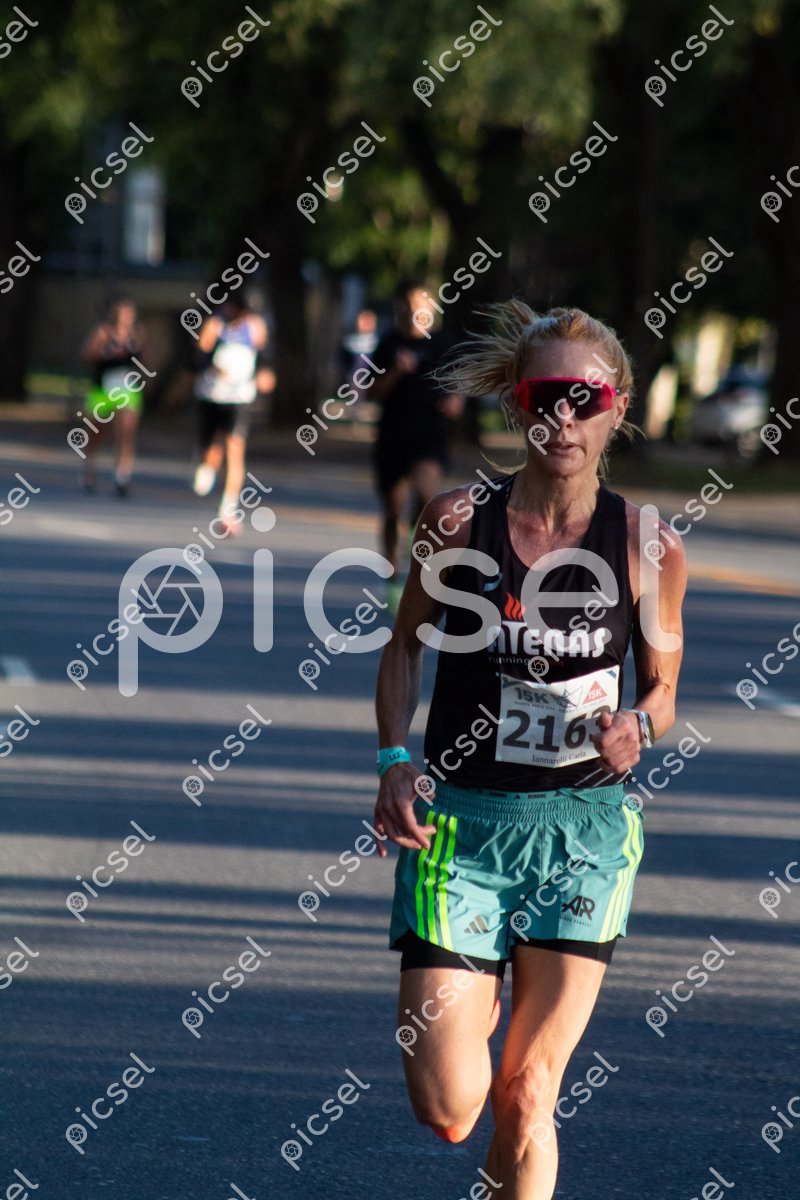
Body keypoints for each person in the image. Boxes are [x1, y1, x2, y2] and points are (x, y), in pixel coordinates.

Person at [373, 302, 686, 1200]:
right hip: (460, 833)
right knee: (450, 1105)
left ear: (617, 408)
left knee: (528, 1092)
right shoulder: (455, 523)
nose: (565, 418)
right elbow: (404, 646)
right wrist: (394, 759)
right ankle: (476, 990)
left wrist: (640, 725)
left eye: (587, 399)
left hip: (583, 833)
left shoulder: (648, 546)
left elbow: (662, 690)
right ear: (517, 405)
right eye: (546, 397)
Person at [370, 283, 464, 599]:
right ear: (401, 308)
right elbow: (371, 393)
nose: (415, 310)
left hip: (429, 435)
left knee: (426, 494)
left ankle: (416, 545)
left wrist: (456, 400)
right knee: (393, 508)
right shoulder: (388, 343)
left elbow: (458, 385)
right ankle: (391, 573)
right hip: (392, 436)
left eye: (422, 303)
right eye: (410, 304)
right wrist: (395, 372)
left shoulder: (442, 344)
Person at [192, 297, 268, 531]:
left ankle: (228, 510)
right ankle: (207, 465)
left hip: (239, 397)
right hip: (213, 394)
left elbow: (263, 355)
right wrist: (214, 367)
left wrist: (265, 374)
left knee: (234, 446)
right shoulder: (215, 325)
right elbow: (200, 356)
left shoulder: (254, 326)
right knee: (211, 447)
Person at [80, 297, 147, 496]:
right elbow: (87, 355)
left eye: (128, 314)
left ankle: (122, 477)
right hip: (103, 390)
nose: (124, 318)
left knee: (125, 432)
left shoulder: (137, 334)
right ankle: (89, 470)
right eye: (120, 314)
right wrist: (106, 353)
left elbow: (145, 360)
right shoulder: (103, 333)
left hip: (127, 390)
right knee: (96, 433)